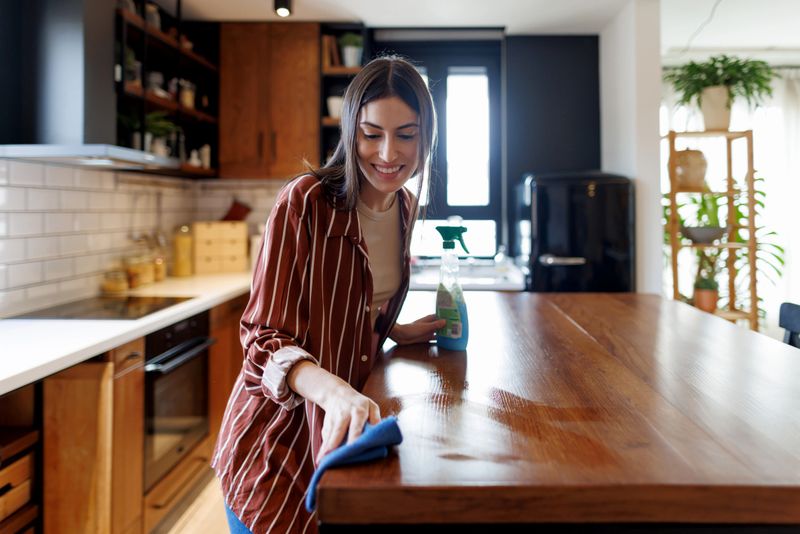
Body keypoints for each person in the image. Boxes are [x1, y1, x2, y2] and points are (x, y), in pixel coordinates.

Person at [212, 55, 444, 534]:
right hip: (276, 445)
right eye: (371, 133)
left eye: (406, 134)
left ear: (426, 137)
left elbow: (353, 298)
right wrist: (334, 390)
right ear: (349, 131)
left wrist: (390, 326)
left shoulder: (403, 208)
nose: (387, 153)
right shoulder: (305, 202)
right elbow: (262, 340)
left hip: (340, 441)